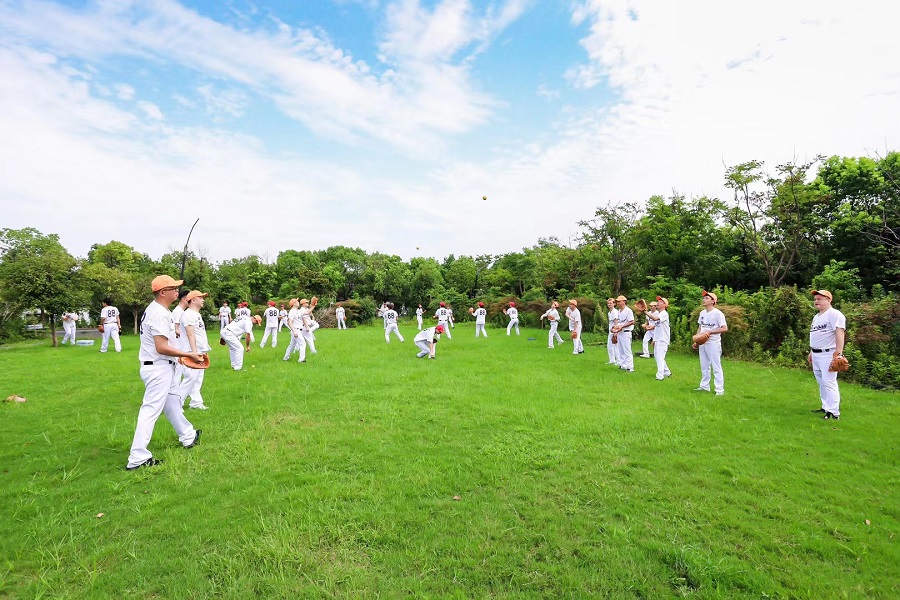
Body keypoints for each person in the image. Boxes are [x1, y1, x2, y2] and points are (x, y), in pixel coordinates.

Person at [125, 275, 202, 471]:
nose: (177, 291)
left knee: (172, 403)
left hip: (162, 366)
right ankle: (138, 457)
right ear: (162, 293)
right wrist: (188, 354)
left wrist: (179, 357)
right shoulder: (158, 313)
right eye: (173, 288)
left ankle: (188, 436)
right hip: (158, 368)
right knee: (150, 410)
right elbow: (161, 347)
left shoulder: (159, 310)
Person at [808, 290, 846, 420]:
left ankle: (833, 412)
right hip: (817, 353)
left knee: (829, 382)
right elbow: (817, 336)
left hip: (828, 353)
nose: (816, 301)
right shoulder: (817, 317)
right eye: (815, 299)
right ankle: (825, 406)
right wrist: (812, 352)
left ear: (829, 300)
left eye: (819, 299)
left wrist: (838, 354)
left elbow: (840, 333)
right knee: (822, 382)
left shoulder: (834, 314)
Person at [177, 290, 211, 410]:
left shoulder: (196, 314)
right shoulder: (188, 314)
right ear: (193, 300)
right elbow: (190, 334)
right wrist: (194, 353)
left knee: (197, 378)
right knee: (190, 378)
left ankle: (196, 403)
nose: (203, 300)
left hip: (199, 350)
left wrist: (203, 350)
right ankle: (176, 403)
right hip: (191, 352)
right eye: (200, 298)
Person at [694, 290, 728, 395]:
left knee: (716, 366)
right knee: (704, 366)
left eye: (706, 298)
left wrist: (710, 332)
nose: (704, 299)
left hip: (713, 343)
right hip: (703, 343)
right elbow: (700, 327)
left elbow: (724, 328)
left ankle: (719, 390)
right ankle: (704, 386)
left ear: (713, 301)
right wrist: (697, 340)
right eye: (704, 298)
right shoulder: (702, 313)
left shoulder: (718, 314)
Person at [647, 296, 672, 380]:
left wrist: (645, 311)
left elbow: (654, 318)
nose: (658, 302)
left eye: (661, 301)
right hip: (658, 339)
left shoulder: (664, 313)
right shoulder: (659, 314)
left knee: (660, 357)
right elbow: (657, 328)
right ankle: (667, 372)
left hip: (663, 339)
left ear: (665, 305)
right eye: (658, 301)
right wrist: (654, 340)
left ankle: (660, 376)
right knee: (658, 357)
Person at [612, 295, 635, 371]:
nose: (618, 303)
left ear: (624, 302)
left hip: (626, 332)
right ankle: (623, 365)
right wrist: (615, 328)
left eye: (619, 301)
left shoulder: (628, 310)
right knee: (621, 350)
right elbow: (619, 322)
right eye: (617, 301)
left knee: (627, 350)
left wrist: (622, 326)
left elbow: (632, 321)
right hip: (620, 332)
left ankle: (630, 367)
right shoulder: (619, 311)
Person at [283, 298, 308, 363]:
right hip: (296, 330)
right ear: (294, 304)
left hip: (298, 330)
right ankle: (301, 360)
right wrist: (294, 331)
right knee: (302, 343)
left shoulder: (298, 311)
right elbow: (290, 322)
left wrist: (313, 306)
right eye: (297, 301)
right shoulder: (292, 311)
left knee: (292, 345)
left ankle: (285, 358)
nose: (298, 302)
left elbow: (307, 312)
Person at [606, 298, 619, 365]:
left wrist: (615, 332)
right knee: (609, 345)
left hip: (614, 331)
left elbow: (616, 322)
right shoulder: (609, 312)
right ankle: (612, 360)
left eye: (610, 303)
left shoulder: (615, 311)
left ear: (614, 304)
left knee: (615, 346)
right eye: (608, 303)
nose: (609, 304)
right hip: (610, 330)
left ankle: (618, 360)